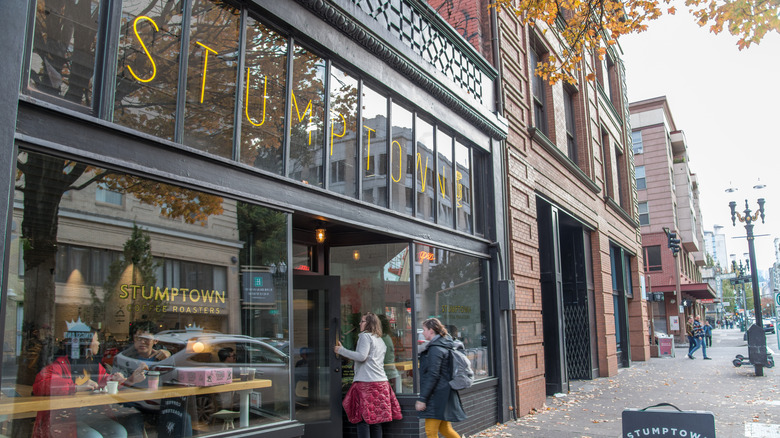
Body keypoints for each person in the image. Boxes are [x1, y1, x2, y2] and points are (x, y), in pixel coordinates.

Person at [32, 318, 129, 438]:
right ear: (87, 344)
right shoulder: (61, 364)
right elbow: (40, 385)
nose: (99, 344)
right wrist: (76, 387)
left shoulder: (93, 365)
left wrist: (119, 380)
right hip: (63, 419)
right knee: (93, 436)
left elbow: (106, 380)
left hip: (90, 415)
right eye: (96, 340)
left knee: (119, 431)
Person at [335, 312, 402, 438]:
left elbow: (361, 356)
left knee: (363, 420)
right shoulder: (379, 339)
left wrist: (341, 350)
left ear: (369, 324)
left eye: (362, 321)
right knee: (375, 421)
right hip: (381, 383)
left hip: (367, 383)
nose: (360, 323)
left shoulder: (365, 336)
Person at [415, 318, 466, 438]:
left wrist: (422, 399)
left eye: (424, 330)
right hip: (444, 392)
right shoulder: (443, 344)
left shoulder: (435, 349)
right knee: (445, 429)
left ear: (431, 331)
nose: (422, 332)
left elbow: (433, 375)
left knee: (430, 431)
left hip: (436, 394)